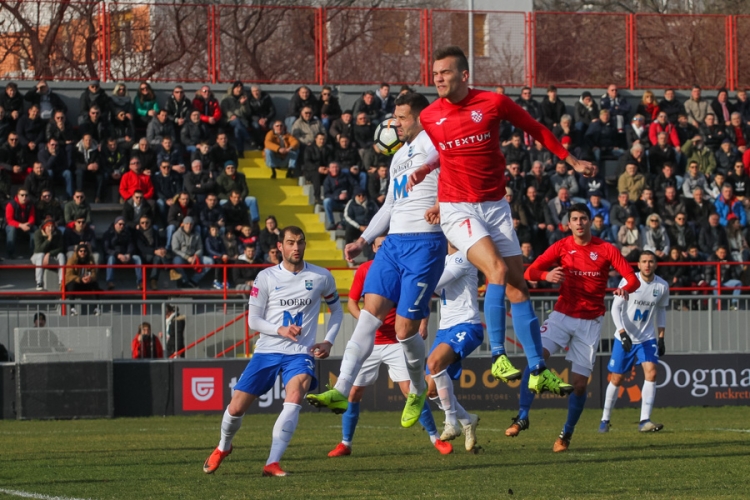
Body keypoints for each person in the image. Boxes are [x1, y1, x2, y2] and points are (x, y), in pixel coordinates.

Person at [411, 46, 598, 398]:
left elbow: (536, 127)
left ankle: (538, 369)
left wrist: (571, 161)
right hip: (458, 208)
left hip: (495, 206)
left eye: (445, 72)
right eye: (435, 73)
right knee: (495, 270)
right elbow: (446, 152)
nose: (438, 78)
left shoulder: (493, 103)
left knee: (518, 288)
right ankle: (497, 354)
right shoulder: (430, 116)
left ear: (464, 75)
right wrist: (428, 170)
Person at [306, 92, 448, 428]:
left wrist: (443, 203)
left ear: (419, 116)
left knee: (403, 331)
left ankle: (416, 389)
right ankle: (340, 388)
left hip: (425, 243)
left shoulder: (434, 142)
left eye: (401, 117)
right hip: (393, 244)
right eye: (394, 117)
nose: (395, 124)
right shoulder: (398, 157)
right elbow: (389, 206)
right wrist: (362, 240)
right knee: (368, 317)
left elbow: (451, 167)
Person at [202, 226, 342, 477]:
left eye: (300, 242)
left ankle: (272, 462)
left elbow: (337, 311)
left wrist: (328, 341)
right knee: (235, 408)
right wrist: (280, 330)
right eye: (290, 243)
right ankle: (223, 447)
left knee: (296, 394)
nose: (296, 248)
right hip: (267, 351)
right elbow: (253, 320)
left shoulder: (322, 276)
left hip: (301, 353)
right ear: (280, 247)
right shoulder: (265, 277)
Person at [509, 203, 639, 452]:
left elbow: (631, 277)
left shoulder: (606, 249)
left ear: (590, 222)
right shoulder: (561, 246)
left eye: (583, 218)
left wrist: (626, 288)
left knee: (579, 384)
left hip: (589, 324)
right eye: (574, 219)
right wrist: (546, 276)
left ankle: (566, 434)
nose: (579, 223)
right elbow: (530, 271)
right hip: (561, 316)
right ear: (568, 224)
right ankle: (522, 417)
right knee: (536, 360)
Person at [328, 235, 452, 458]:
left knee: (410, 391)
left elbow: (423, 296)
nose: (383, 247)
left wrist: (422, 323)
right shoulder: (365, 270)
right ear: (374, 250)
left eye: (386, 243)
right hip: (371, 343)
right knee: (354, 392)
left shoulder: (405, 268)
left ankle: (436, 438)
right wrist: (367, 322)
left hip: (396, 341)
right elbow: (352, 303)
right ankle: (345, 443)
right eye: (379, 245)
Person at [600, 251, 668, 434]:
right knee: (617, 378)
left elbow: (661, 311)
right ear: (638, 265)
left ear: (655, 264)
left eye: (651, 261)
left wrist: (661, 337)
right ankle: (605, 420)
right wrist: (622, 333)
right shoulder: (629, 282)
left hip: (647, 338)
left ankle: (644, 420)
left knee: (652, 373)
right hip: (625, 336)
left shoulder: (662, 286)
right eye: (644, 261)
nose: (647, 264)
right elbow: (615, 308)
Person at [425, 242, 482, 452]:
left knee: (434, 362)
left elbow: (433, 284)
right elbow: (435, 291)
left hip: (466, 325)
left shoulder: (463, 256)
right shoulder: (444, 260)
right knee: (430, 390)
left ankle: (451, 422)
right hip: (445, 329)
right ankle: (467, 420)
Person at [171, 216, 212, 288]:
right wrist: (187, 257)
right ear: (183, 224)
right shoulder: (176, 234)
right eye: (187, 223)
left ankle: (193, 281)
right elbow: (175, 249)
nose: (189, 226)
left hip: (195, 257)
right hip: (182, 257)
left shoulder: (197, 235)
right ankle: (184, 281)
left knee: (209, 261)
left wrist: (195, 256)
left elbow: (200, 248)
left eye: (191, 224)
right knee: (176, 261)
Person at [102, 216, 142, 290]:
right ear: (115, 224)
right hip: (113, 255)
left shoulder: (127, 233)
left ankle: (140, 282)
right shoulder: (108, 234)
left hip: (125, 255)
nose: (122, 226)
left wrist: (128, 254)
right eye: (120, 224)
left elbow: (131, 245)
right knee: (110, 259)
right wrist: (117, 254)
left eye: (123, 224)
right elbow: (106, 249)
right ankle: (110, 282)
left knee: (137, 258)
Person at [64, 243, 101, 312]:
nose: (82, 253)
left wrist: (90, 278)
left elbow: (94, 274)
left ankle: (96, 308)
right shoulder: (71, 260)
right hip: (76, 282)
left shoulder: (90, 260)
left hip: (86, 282)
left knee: (95, 285)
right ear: (77, 252)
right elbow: (69, 275)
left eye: (84, 251)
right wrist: (80, 279)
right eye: (80, 251)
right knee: (72, 284)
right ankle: (72, 309)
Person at [30, 219, 65, 291]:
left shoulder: (58, 233)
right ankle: (39, 282)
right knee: (41, 254)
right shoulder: (38, 233)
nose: (51, 228)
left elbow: (61, 248)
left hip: (52, 256)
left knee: (61, 255)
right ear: (44, 227)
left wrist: (49, 254)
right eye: (48, 226)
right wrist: (49, 239)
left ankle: (61, 282)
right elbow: (39, 249)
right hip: (37, 257)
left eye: (52, 226)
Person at [135, 215, 168, 291]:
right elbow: (141, 248)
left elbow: (158, 244)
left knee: (158, 257)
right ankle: (169, 269)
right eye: (142, 223)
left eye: (147, 222)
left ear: (150, 223)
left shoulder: (154, 232)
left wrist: (161, 249)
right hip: (143, 255)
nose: (144, 224)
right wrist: (155, 251)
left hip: (153, 254)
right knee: (158, 256)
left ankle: (153, 280)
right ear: (139, 224)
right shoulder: (137, 234)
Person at [220, 81, 254, 153]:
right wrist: (231, 115)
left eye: (241, 88)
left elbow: (248, 113)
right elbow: (224, 108)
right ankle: (248, 138)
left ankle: (240, 152)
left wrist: (244, 104)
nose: (239, 89)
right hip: (228, 120)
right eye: (237, 87)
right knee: (237, 122)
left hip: (241, 120)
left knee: (238, 129)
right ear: (233, 88)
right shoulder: (226, 97)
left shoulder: (244, 98)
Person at [5, 188, 36, 259]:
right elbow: (9, 220)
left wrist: (29, 224)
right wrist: (20, 225)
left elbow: (32, 217)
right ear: (17, 196)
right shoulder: (11, 204)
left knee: (35, 229)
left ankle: (33, 254)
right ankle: (10, 254)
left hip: (26, 225)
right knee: (11, 230)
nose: (24, 197)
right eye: (22, 195)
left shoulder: (30, 205)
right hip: (13, 225)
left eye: (26, 195)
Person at [322, 162, 352, 230]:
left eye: (336, 167)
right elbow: (326, 194)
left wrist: (349, 196)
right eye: (332, 167)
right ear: (329, 169)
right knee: (326, 201)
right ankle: (332, 223)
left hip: (348, 201)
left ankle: (343, 223)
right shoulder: (327, 180)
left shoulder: (346, 176)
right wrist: (338, 197)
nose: (335, 169)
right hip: (335, 202)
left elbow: (354, 186)